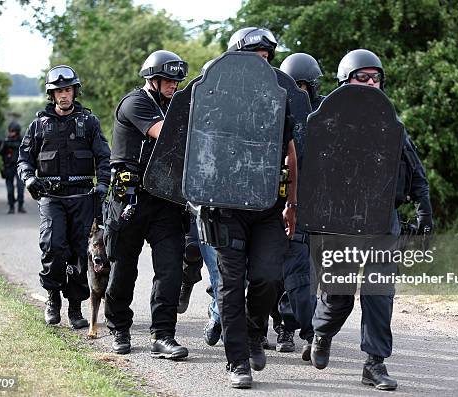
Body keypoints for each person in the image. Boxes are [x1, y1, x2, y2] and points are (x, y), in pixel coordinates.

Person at [309, 49, 434, 391]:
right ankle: (322, 332)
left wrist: (424, 209)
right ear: (345, 82)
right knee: (339, 294)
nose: (369, 83)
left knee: (380, 293)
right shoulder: (328, 122)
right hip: (340, 221)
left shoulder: (392, 124)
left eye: (374, 77)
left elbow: (415, 171)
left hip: (382, 219)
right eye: (361, 78)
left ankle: (374, 364)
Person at [209, 27, 297, 389]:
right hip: (227, 207)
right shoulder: (216, 97)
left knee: (268, 278)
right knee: (231, 285)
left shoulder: (278, 97)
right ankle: (237, 361)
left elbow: (290, 150)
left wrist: (292, 201)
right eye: (254, 58)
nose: (262, 64)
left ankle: (254, 330)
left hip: (267, 205)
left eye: (266, 59)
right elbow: (201, 147)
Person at [103, 50, 190, 359]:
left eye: (178, 81)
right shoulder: (135, 103)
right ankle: (119, 328)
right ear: (153, 79)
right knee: (123, 267)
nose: (174, 85)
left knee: (170, 269)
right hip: (130, 198)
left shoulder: (176, 105)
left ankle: (163, 336)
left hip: (165, 200)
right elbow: (164, 134)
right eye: (169, 80)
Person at [18, 65, 111, 329]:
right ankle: (52, 298)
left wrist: (103, 184)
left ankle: (75, 307)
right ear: (52, 94)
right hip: (52, 198)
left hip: (83, 197)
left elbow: (104, 156)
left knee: (82, 253)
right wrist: (29, 178)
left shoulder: (89, 122)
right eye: (59, 91)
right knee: (53, 246)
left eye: (68, 89)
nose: (64, 95)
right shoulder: (39, 125)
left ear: (74, 91)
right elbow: (24, 158)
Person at [259, 52, 325, 358]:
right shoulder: (275, 110)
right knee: (284, 273)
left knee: (308, 276)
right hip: (283, 201)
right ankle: (285, 326)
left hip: (317, 202)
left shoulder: (325, 112)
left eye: (303, 86)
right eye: (293, 86)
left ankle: (312, 332)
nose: (298, 92)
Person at [0, 121, 26, 213]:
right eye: (10, 131)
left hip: (20, 167)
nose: (11, 132)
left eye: (13, 131)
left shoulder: (22, 140)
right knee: (10, 190)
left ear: (17, 131)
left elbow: (27, 151)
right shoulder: (6, 140)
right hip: (8, 167)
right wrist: (3, 144)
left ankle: (20, 206)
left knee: (20, 188)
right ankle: (11, 207)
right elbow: (0, 152)